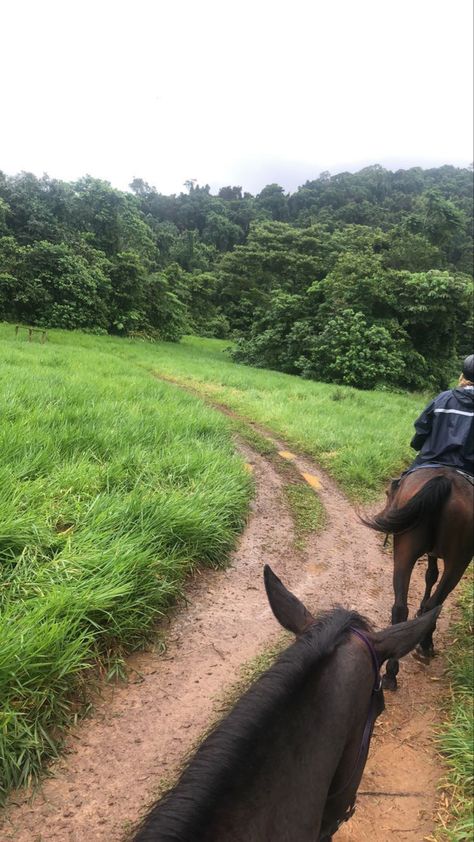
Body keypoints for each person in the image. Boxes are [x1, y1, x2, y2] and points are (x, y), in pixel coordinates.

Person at [407, 354, 474, 477]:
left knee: (400, 484)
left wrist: (416, 444)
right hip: (469, 466)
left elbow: (423, 426)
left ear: (462, 375)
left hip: (432, 458)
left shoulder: (443, 398)